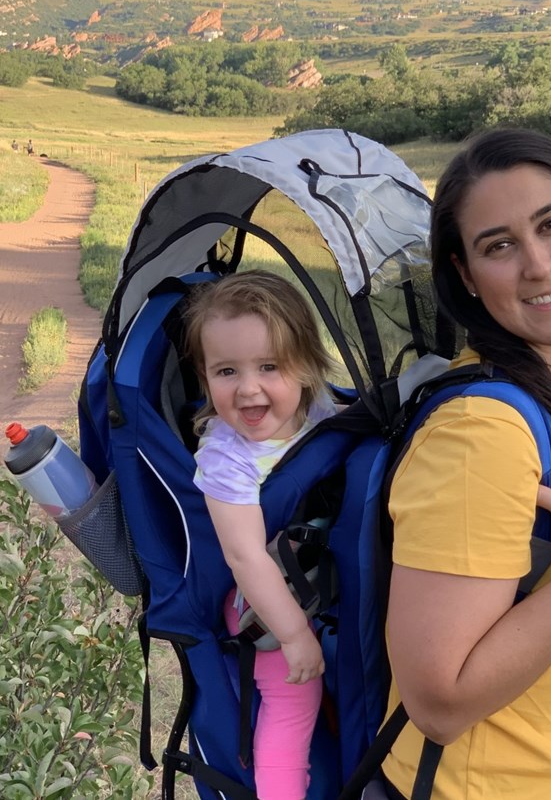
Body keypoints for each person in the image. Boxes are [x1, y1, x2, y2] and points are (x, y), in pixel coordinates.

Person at [382, 128, 551, 799]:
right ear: (467, 277)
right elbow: (438, 700)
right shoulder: (482, 434)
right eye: (498, 245)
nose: (537, 262)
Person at [185, 269, 337, 800]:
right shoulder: (226, 457)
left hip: (315, 575)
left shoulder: (317, 411)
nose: (248, 388)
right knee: (294, 705)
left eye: (269, 366)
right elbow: (244, 556)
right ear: (205, 379)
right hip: (262, 608)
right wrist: (294, 635)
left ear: (307, 366)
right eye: (227, 371)